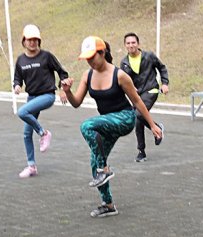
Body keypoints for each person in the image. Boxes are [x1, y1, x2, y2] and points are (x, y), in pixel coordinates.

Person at [62, 36, 162, 218]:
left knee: (87, 126)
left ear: (103, 53)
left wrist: (153, 125)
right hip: (107, 122)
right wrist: (67, 91)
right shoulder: (88, 75)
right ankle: (108, 204)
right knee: (95, 161)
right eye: (87, 58)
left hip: (124, 119)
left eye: (93, 57)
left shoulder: (120, 75)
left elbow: (137, 101)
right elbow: (76, 103)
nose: (90, 61)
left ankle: (105, 169)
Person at [13, 24, 71, 178]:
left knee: (22, 111)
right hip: (31, 97)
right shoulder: (20, 60)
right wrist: (17, 85)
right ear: (24, 41)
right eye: (29, 40)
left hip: (47, 95)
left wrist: (62, 89)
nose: (32, 42)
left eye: (35, 40)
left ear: (39, 41)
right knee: (26, 134)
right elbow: (17, 77)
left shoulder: (46, 56)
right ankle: (31, 166)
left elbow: (62, 72)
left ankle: (44, 133)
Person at [120, 32, 169, 162]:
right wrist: (129, 87)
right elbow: (123, 80)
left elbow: (162, 68)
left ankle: (156, 127)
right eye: (128, 43)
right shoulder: (124, 63)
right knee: (138, 121)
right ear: (125, 45)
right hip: (136, 95)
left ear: (138, 44)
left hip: (151, 90)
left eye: (133, 42)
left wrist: (165, 83)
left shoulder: (149, 56)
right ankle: (141, 152)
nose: (131, 45)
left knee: (139, 115)